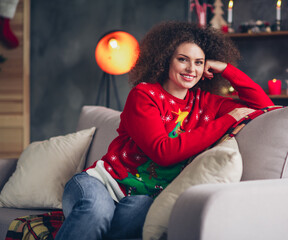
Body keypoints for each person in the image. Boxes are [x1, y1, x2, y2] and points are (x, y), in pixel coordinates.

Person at [55, 21, 274, 240]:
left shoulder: (207, 103)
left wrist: (226, 69)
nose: (191, 69)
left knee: (138, 216)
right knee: (96, 213)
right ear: (165, 60)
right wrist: (227, 120)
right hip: (100, 182)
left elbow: (266, 107)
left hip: (141, 197)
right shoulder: (143, 95)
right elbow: (163, 151)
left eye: (199, 62)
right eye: (183, 60)